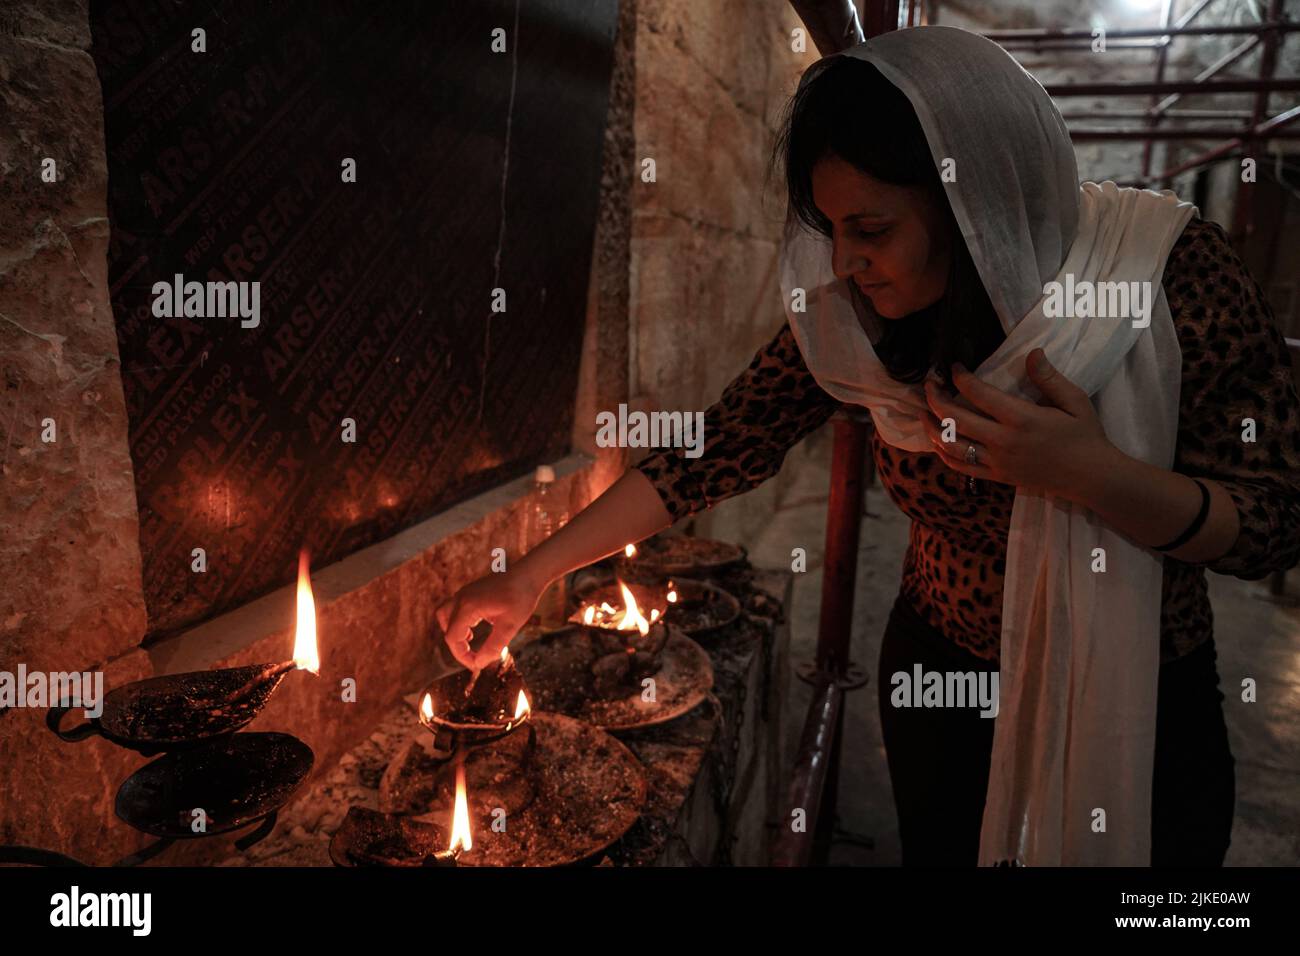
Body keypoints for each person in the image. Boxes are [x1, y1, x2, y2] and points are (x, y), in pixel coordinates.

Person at [436, 26, 1300, 866]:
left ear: (973, 206)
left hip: (1135, 686)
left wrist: (1094, 476)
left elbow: (1274, 519)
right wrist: (527, 575)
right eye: (831, 229)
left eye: (873, 230)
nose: (846, 262)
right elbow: (720, 442)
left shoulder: (1159, 279)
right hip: (941, 669)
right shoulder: (854, 318)